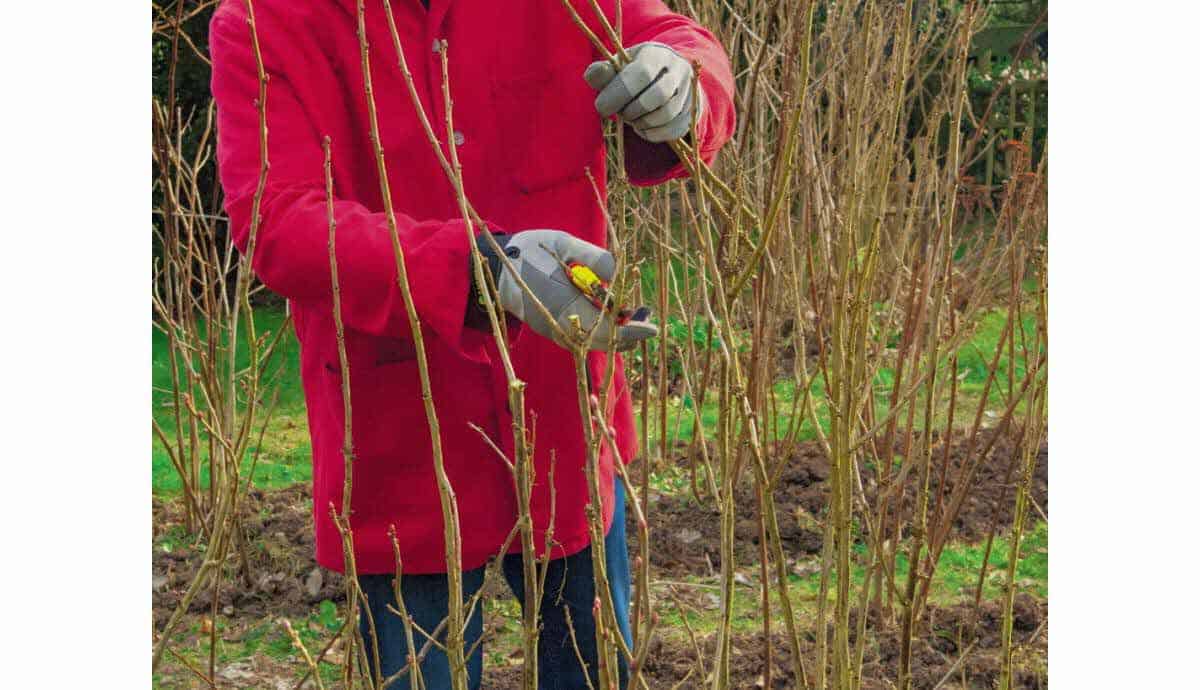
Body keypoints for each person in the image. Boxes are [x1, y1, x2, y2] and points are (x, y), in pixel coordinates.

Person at [209, 1, 734, 687]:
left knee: (592, 669)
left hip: (561, 416)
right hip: (397, 435)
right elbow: (278, 221)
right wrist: (484, 273)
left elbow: (671, 37)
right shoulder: (265, 18)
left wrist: (685, 84)